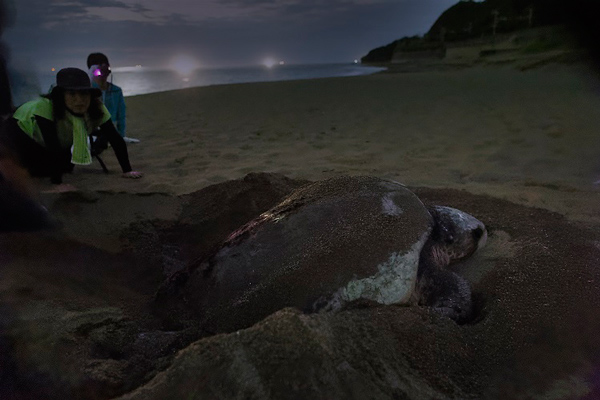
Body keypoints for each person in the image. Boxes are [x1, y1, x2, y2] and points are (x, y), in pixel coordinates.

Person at [1, 67, 142, 193]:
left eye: (84, 94)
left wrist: (127, 170)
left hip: (51, 143)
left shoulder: (97, 109)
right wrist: (58, 183)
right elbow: (52, 144)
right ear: (61, 96)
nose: (79, 100)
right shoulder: (45, 108)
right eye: (72, 94)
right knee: (30, 170)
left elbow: (115, 138)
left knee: (66, 167)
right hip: (17, 134)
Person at [87, 52, 139, 143]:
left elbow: (121, 115)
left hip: (111, 131)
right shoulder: (87, 92)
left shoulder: (116, 91)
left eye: (105, 66)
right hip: (92, 132)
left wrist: (121, 135)